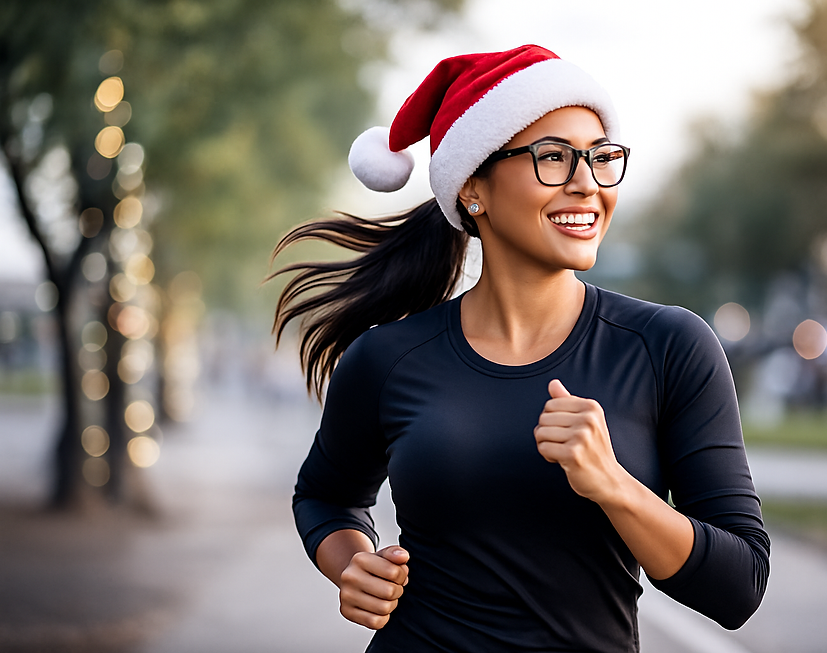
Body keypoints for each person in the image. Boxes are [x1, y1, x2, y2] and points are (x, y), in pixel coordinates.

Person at [273, 44, 769, 652]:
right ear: (473, 187)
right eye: (553, 158)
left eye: (601, 157)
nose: (586, 184)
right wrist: (352, 563)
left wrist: (614, 485)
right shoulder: (389, 357)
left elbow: (739, 587)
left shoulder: (668, 347)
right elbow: (326, 495)